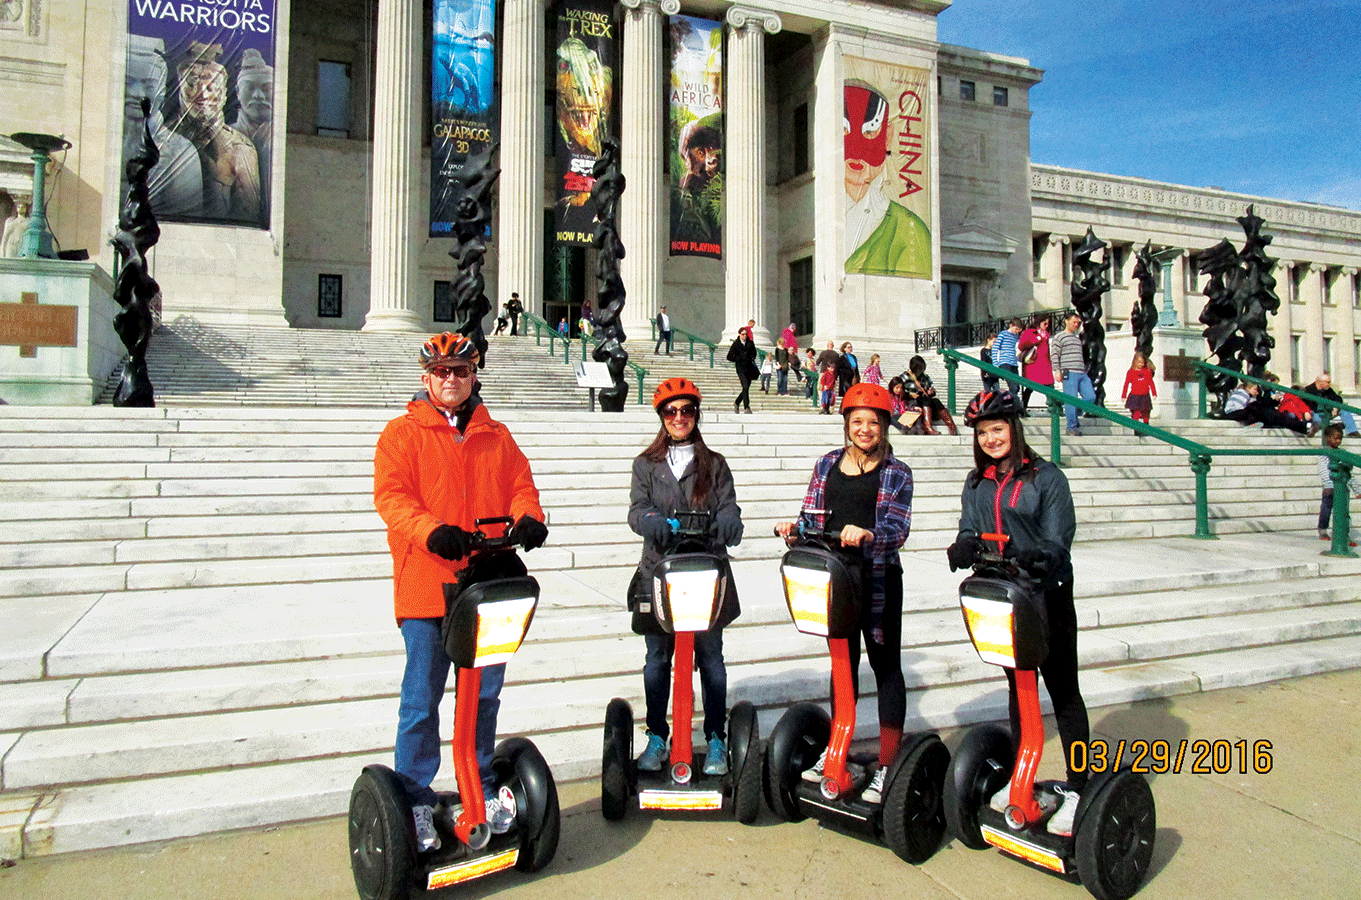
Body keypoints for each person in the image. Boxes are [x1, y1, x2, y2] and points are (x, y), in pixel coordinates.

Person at [373, 332, 549, 852]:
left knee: (485, 694)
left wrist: (530, 519)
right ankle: (417, 801)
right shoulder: (401, 434)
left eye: (462, 371)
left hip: (487, 585)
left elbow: (521, 484)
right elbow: (392, 498)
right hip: (429, 585)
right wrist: (431, 531)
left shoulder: (495, 433)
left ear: (474, 377)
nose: (452, 380)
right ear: (426, 378)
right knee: (422, 700)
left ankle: (482, 786)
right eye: (442, 372)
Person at [946, 389, 1088, 837]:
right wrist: (966, 541)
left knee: (1063, 689)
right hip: (1002, 596)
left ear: (1015, 428)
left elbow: (1057, 536)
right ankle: (1020, 775)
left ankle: (1080, 786)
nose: (991, 438)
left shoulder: (1046, 477)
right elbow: (970, 524)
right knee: (1017, 686)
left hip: (1045, 595)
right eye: (983, 432)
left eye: (998, 428)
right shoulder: (977, 481)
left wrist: (1045, 554)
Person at [774, 383, 914, 805]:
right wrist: (793, 530)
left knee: (886, 666)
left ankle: (887, 762)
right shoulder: (827, 464)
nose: (866, 429)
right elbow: (810, 515)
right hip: (833, 580)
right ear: (846, 425)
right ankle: (839, 748)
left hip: (877, 580)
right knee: (841, 664)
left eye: (874, 422)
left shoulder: (897, 472)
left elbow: (898, 529)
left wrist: (869, 533)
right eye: (858, 421)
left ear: (885, 426)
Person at [628, 378, 744, 774]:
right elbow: (636, 508)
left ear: (696, 415)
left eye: (687, 411)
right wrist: (648, 520)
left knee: (711, 658)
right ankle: (658, 735)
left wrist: (729, 519)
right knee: (657, 659)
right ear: (662, 417)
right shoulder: (646, 464)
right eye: (671, 412)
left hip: (705, 570)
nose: (679, 418)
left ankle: (715, 737)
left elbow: (729, 505)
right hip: (660, 571)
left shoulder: (715, 463)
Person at [172, 41, 262, 224]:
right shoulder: (162, 139)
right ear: (180, 88)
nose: (202, 95)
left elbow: (248, 215)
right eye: (192, 85)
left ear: (223, 94)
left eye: (211, 88)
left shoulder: (240, 149)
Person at [1051, 312, 1094, 436]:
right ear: (1066, 321)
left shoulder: (1077, 338)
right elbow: (1054, 354)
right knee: (1070, 398)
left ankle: (1074, 415)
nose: (1076, 325)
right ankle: (1071, 426)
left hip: (1081, 372)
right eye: (1074, 322)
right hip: (1068, 372)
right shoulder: (1059, 337)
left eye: (1078, 323)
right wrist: (1057, 370)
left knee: (1090, 397)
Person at [1317, 423, 1360, 544]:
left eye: (1340, 438)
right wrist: (1327, 484)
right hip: (1330, 487)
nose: (1338, 441)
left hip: (1342, 487)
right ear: (1327, 438)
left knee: (1344, 512)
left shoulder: (1342, 453)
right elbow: (1323, 469)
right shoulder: (1324, 453)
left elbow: (1348, 473)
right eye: (1335, 438)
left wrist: (1357, 490)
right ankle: (1322, 529)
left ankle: (1344, 536)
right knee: (1326, 509)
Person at [1221, 380, 1307, 434]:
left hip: (1242, 413)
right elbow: (1238, 409)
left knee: (1267, 411)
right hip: (1235, 414)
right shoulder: (1242, 393)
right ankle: (1303, 427)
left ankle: (1302, 427)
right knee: (1260, 408)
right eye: (1255, 389)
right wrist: (1249, 421)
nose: (1257, 392)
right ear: (1249, 388)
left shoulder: (1248, 396)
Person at [903, 355, 958, 435]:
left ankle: (951, 426)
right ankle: (927, 426)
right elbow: (904, 392)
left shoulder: (925, 377)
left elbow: (930, 389)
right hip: (914, 405)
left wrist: (931, 392)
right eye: (919, 368)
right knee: (925, 399)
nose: (921, 371)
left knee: (935, 401)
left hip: (927, 406)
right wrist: (920, 393)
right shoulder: (905, 377)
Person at [1300, 372, 1358, 437]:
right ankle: (1323, 428)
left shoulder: (1328, 390)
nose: (1329, 384)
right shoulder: (1308, 390)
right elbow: (1303, 404)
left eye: (1329, 382)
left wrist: (1336, 407)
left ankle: (1352, 432)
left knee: (1344, 411)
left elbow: (1337, 398)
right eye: (1327, 382)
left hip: (1327, 411)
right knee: (1318, 420)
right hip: (1314, 413)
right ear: (1319, 382)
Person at [1017, 316, 1055, 414]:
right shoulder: (1030, 332)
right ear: (1039, 322)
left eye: (1048, 324)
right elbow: (1022, 346)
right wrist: (1037, 338)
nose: (1046, 326)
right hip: (1033, 365)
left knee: (1050, 386)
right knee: (1030, 387)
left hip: (1045, 364)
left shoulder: (1046, 335)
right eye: (1045, 324)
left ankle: (1053, 408)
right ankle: (1023, 408)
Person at [727, 326, 758, 414]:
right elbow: (729, 356)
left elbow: (754, 353)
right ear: (739, 334)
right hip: (741, 369)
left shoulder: (750, 343)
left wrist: (750, 357)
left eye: (745, 334)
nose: (744, 336)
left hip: (749, 368)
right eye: (743, 334)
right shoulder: (736, 344)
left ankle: (737, 402)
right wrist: (739, 358)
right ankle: (746, 407)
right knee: (745, 386)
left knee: (746, 387)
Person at [1121, 352, 1157, 424]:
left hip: (1145, 396)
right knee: (1136, 413)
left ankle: (1146, 427)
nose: (1141, 364)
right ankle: (1136, 428)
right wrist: (1123, 395)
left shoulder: (1147, 372)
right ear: (1135, 362)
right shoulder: (1131, 372)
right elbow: (1126, 384)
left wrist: (1154, 393)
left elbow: (1151, 383)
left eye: (1142, 362)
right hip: (1135, 396)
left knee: (1146, 413)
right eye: (1139, 362)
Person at [993, 319, 1023, 396]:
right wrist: (995, 363)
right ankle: (1009, 403)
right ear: (1011, 325)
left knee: (1017, 387)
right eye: (1016, 329)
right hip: (1005, 363)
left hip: (1014, 363)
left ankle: (1010, 401)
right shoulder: (1003, 334)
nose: (1017, 331)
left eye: (1018, 330)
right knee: (1013, 387)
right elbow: (995, 348)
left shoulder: (1016, 337)